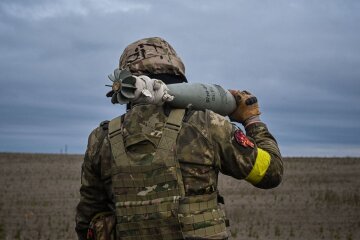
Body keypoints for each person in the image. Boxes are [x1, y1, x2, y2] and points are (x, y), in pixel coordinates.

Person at [75, 37, 283, 240]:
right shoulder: (207, 125)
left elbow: (88, 219)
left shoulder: (101, 138)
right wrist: (252, 119)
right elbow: (270, 173)